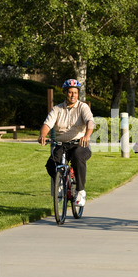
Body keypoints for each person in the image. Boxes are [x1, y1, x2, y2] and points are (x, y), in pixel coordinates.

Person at [38, 79, 94, 207]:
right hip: (61, 144)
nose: (73, 95)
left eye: (75, 92)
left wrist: (86, 136)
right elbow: (47, 124)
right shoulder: (57, 109)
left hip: (80, 144)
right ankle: (60, 185)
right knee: (51, 164)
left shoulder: (82, 107)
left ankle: (80, 191)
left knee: (77, 156)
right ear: (65, 93)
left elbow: (90, 122)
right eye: (70, 92)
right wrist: (42, 135)